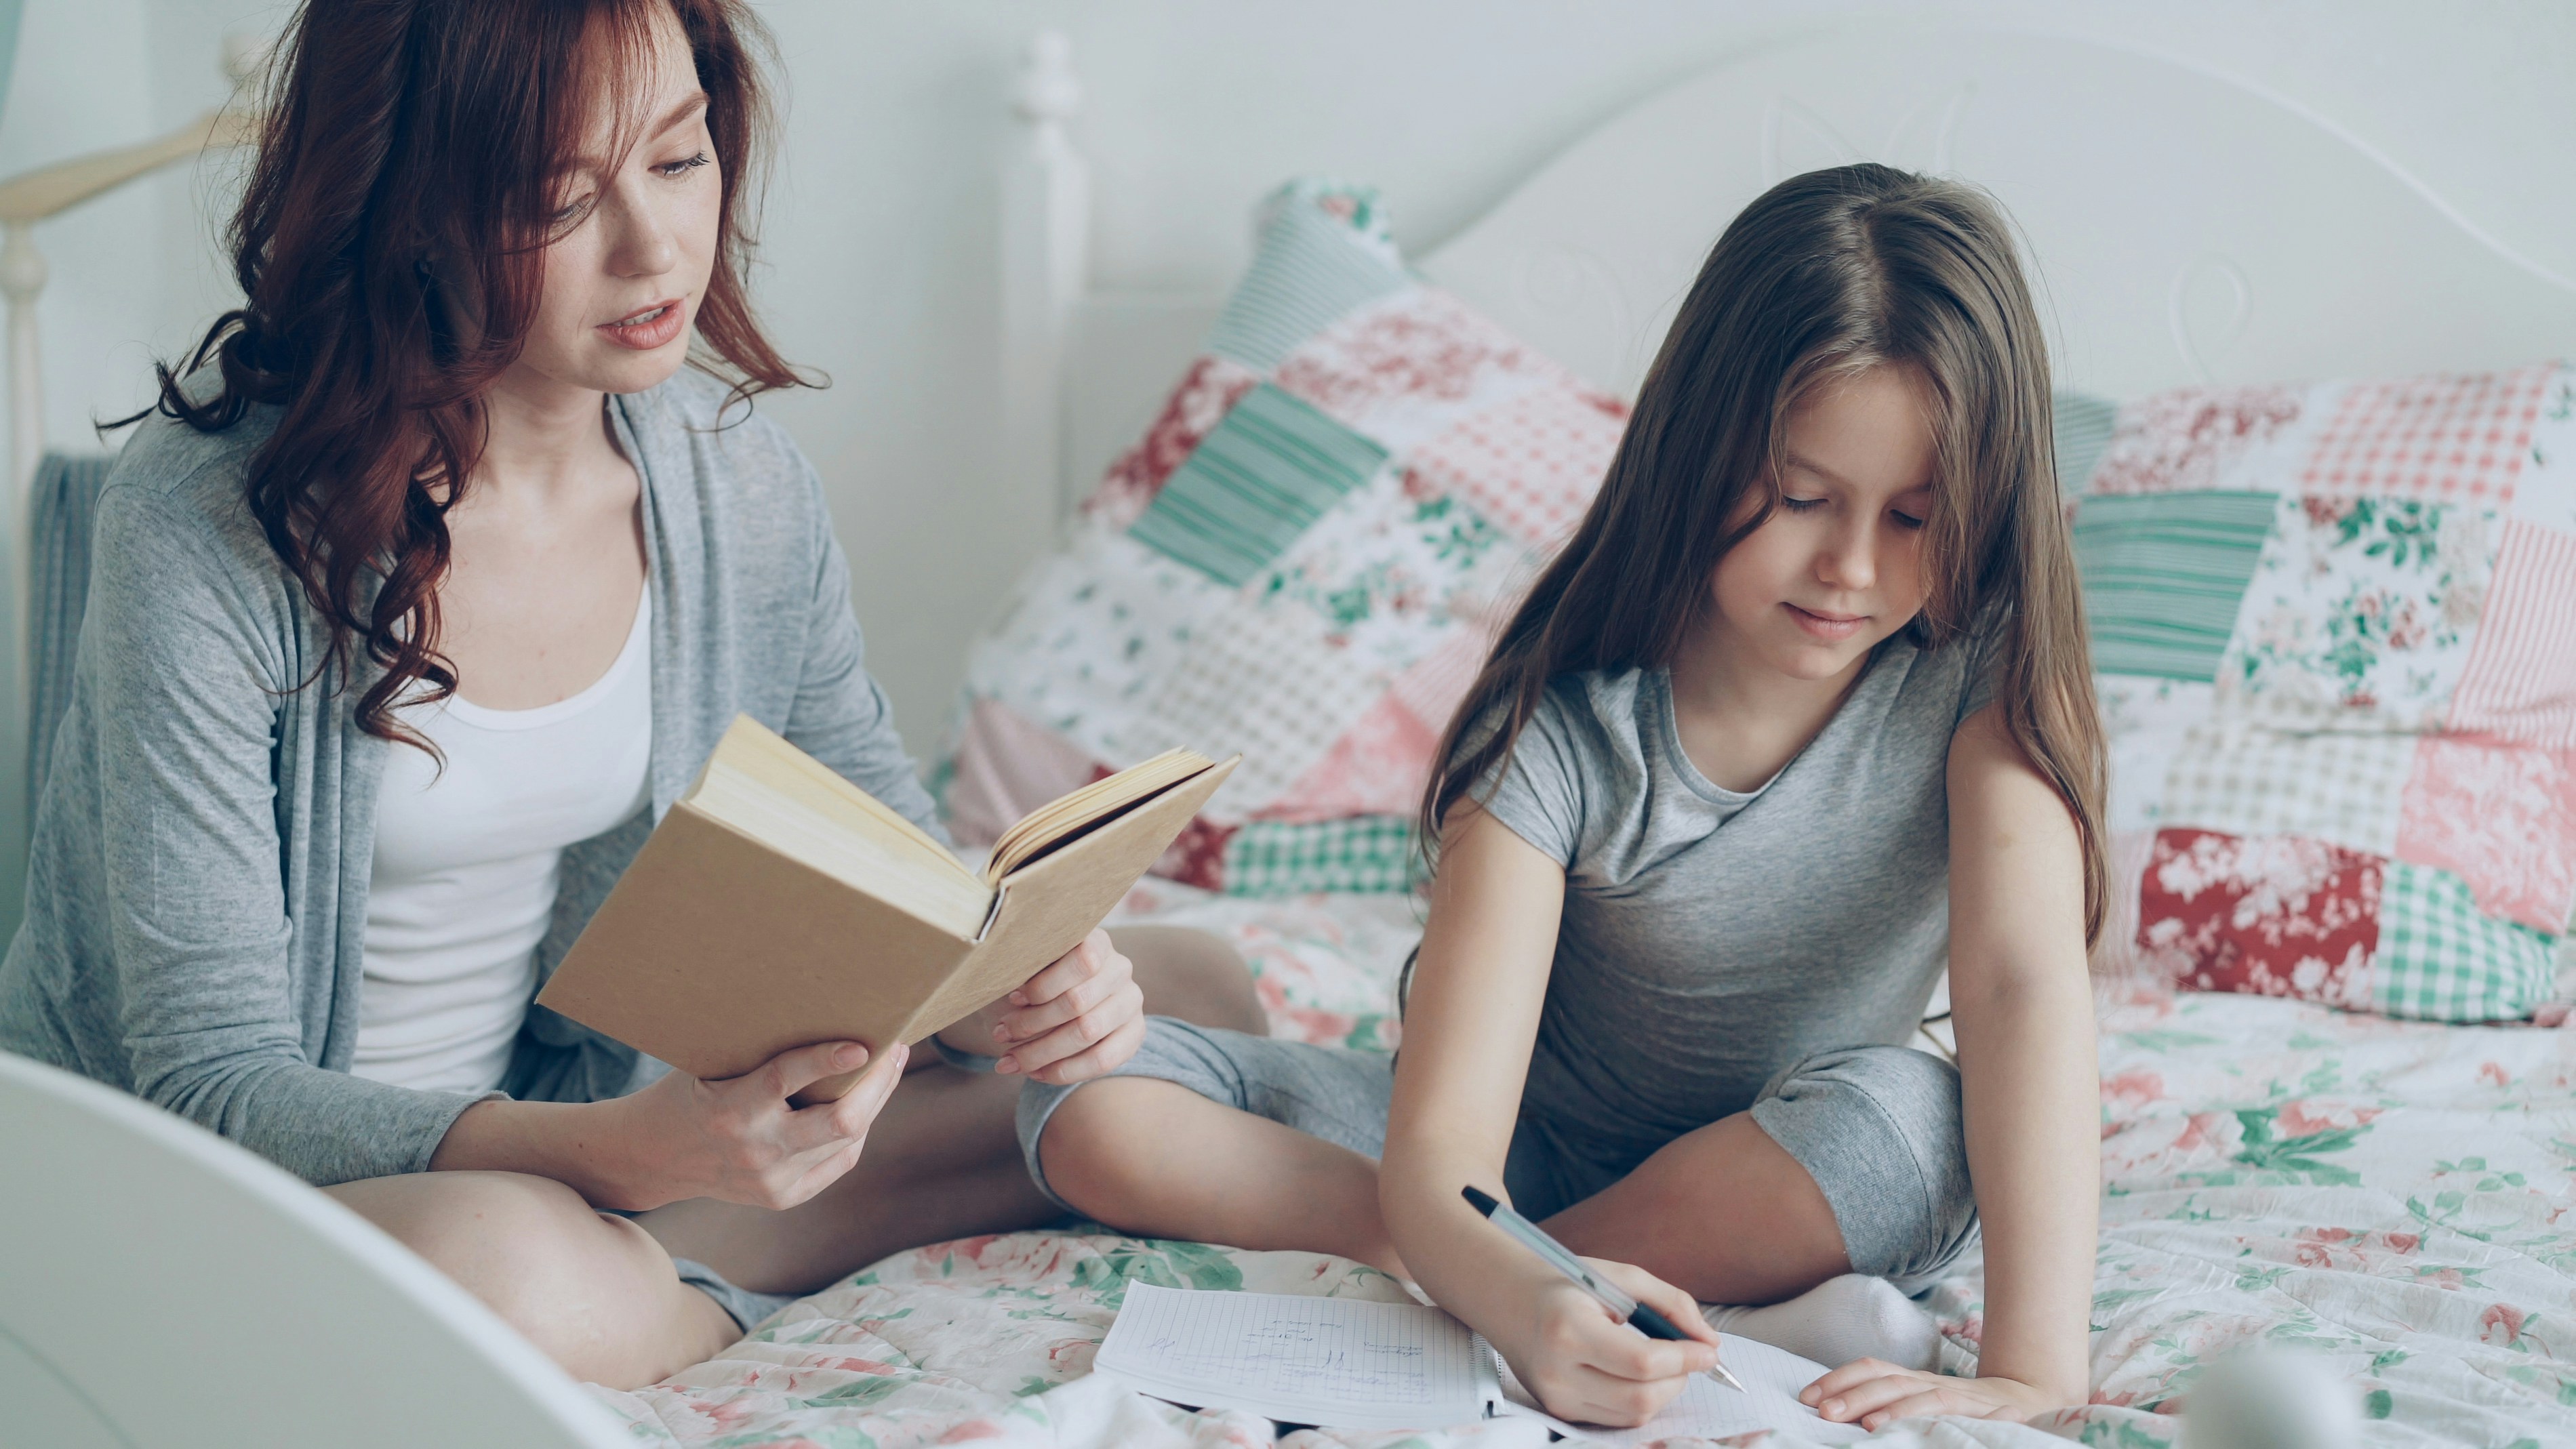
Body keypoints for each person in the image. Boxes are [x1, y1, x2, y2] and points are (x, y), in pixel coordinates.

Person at [0, 0, 1262, 1391]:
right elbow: (214, 1088)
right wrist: (624, 1155)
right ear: (409, 204)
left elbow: (896, 884)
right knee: (512, 1266)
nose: (654, 247)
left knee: (1189, 986)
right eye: (559, 197)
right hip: (233, 1191)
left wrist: (1000, 998)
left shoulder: (738, 492)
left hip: (589, 1147)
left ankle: (653, 1267)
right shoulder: (202, 529)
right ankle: (693, 1310)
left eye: (678, 158)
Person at [1015, 164, 2106, 1432]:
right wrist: (1516, 1282)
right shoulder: (1559, 729)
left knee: (1913, 1125)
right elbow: (1445, 1156)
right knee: (1088, 1105)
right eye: (1804, 498)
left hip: (1790, 1159)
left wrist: (2036, 1369)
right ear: (1700, 456)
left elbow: (2025, 983)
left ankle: (1528, 1272)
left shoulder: (1988, 664)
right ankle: (1619, 1285)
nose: (1853, 567)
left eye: (1916, 516)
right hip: (1517, 1150)